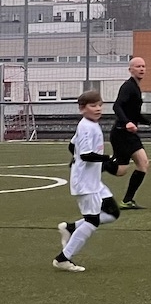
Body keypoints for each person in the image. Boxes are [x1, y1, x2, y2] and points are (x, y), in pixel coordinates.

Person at [55, 90, 128, 271]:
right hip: (85, 183)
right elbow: (86, 155)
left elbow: (72, 145)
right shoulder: (86, 127)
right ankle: (63, 258)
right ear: (82, 109)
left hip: (93, 181)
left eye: (100, 105)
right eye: (93, 106)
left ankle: (70, 228)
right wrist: (110, 158)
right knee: (92, 221)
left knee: (112, 213)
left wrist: (76, 158)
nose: (98, 109)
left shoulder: (90, 124)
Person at [110, 56, 151, 209]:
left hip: (129, 135)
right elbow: (116, 106)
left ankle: (127, 201)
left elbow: (136, 114)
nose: (141, 69)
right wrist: (127, 122)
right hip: (121, 133)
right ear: (130, 70)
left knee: (143, 164)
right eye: (138, 66)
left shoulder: (135, 87)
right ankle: (94, 163)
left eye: (143, 66)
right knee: (121, 171)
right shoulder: (128, 86)